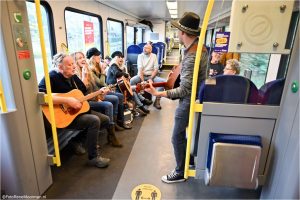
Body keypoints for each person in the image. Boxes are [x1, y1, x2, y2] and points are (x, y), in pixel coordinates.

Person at [145, 12, 208, 183]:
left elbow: (184, 90)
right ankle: (188, 161)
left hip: (188, 101)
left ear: (182, 33)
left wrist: (158, 94)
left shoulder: (192, 56)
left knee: (177, 136)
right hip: (196, 97)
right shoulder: (200, 47)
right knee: (185, 134)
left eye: (179, 31)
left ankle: (180, 171)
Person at [38, 52, 111, 168]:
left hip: (77, 112)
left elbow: (84, 94)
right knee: (94, 120)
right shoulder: (51, 77)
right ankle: (93, 157)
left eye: (73, 64)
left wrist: (100, 93)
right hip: (62, 116)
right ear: (60, 67)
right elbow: (41, 97)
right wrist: (67, 101)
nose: (74, 67)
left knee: (106, 120)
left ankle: (76, 141)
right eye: (70, 65)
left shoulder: (73, 77)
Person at [72, 51, 124, 148]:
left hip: (92, 97)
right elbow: (81, 93)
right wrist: (102, 73)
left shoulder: (87, 71)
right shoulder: (77, 75)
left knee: (116, 98)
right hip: (85, 101)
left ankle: (113, 126)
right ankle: (111, 132)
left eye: (83, 57)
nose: (83, 59)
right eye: (79, 58)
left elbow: (94, 87)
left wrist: (99, 95)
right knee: (108, 104)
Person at [86, 48, 132, 129]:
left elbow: (103, 83)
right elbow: (101, 82)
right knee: (115, 98)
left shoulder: (98, 66)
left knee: (120, 96)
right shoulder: (90, 69)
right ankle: (113, 125)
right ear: (93, 57)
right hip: (97, 92)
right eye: (97, 55)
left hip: (103, 90)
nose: (100, 57)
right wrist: (103, 72)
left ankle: (120, 121)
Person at [130, 44, 166, 109]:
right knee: (132, 81)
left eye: (146, 48)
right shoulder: (140, 56)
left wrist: (150, 79)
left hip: (151, 76)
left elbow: (156, 69)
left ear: (151, 50)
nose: (144, 49)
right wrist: (143, 81)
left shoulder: (154, 56)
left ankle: (157, 100)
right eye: (144, 48)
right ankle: (139, 99)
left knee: (162, 82)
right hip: (141, 76)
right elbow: (140, 70)